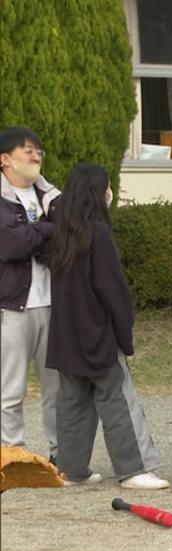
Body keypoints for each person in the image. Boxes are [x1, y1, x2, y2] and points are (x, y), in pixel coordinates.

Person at [44, 164, 168, 490]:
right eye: (107, 187)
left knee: (72, 404)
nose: (109, 192)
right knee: (117, 401)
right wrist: (125, 339)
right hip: (98, 334)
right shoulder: (97, 232)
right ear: (98, 193)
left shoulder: (59, 233)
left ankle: (71, 471)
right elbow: (113, 290)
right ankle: (134, 469)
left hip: (65, 336)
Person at [0, 127, 60, 460]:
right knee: (10, 390)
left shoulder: (49, 196)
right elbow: (12, 245)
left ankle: (61, 455)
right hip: (12, 307)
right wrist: (48, 230)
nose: (36, 155)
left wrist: (37, 232)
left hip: (51, 304)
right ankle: (14, 457)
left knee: (57, 389)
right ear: (5, 160)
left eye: (39, 150)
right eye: (27, 150)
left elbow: (72, 227)